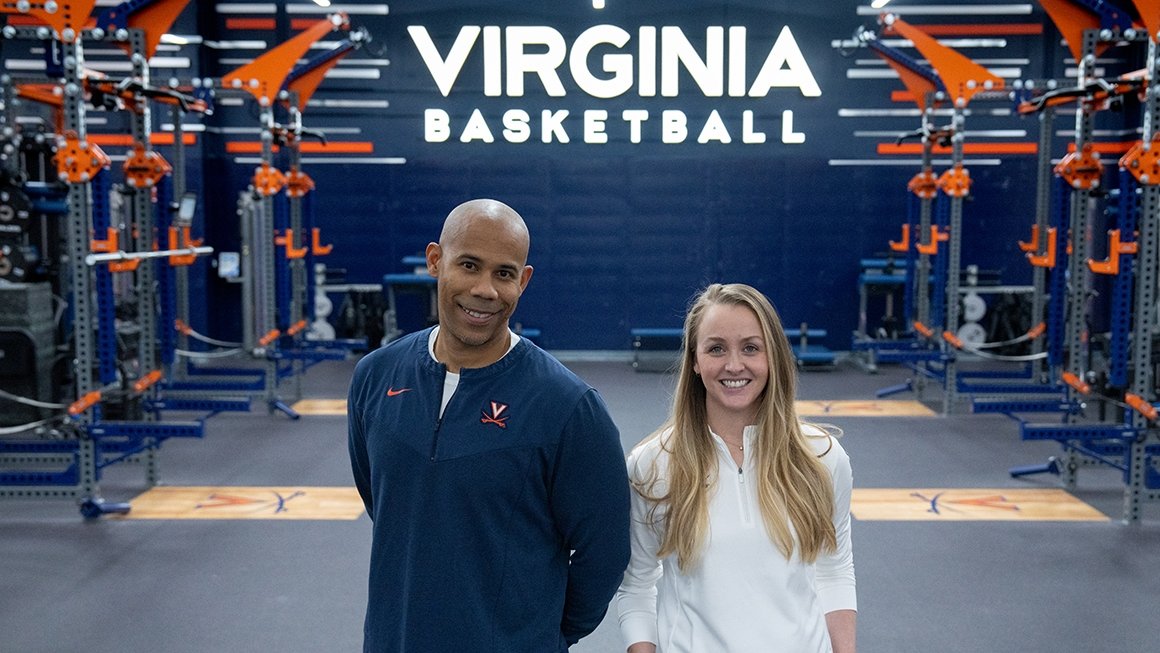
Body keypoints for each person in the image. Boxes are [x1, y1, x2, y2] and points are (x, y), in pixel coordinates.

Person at [347, 198, 631, 653]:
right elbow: (386, 502)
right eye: (469, 265)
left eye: (503, 273)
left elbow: (606, 553)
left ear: (524, 280)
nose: (485, 289)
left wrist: (541, 635)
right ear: (436, 261)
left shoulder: (569, 407)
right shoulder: (376, 377)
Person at [615, 283, 857, 653]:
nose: (734, 365)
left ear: (772, 356)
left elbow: (833, 569)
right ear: (695, 361)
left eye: (750, 348)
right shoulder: (653, 464)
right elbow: (636, 585)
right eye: (716, 348)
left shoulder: (821, 457)